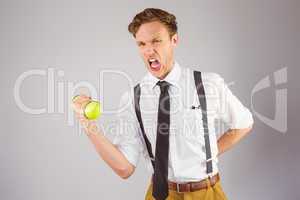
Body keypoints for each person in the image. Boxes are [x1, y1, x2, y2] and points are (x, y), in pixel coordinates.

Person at [72, 8, 254, 200]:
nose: (149, 50)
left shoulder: (207, 84)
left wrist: (211, 152)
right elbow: (124, 168)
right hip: (160, 194)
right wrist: (86, 123)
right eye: (141, 44)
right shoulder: (133, 99)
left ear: (174, 40)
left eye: (156, 41)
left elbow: (243, 124)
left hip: (206, 193)